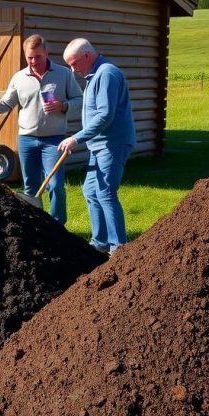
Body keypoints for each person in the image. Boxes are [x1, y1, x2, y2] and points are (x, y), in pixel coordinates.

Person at [0, 34, 82, 224]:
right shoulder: (19, 78)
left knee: (55, 185)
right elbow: (5, 104)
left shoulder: (63, 74)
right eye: (29, 57)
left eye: (37, 57)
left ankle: (58, 227)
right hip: (27, 140)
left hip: (54, 139)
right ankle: (33, 227)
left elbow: (80, 100)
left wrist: (63, 106)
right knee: (30, 187)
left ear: (46, 53)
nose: (33, 61)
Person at [57, 38, 135, 254]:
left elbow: (105, 116)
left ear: (87, 56)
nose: (72, 70)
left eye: (74, 64)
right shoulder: (93, 75)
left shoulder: (107, 74)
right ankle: (99, 243)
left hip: (113, 143)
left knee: (106, 192)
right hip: (99, 145)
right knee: (90, 190)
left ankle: (119, 248)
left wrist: (77, 138)